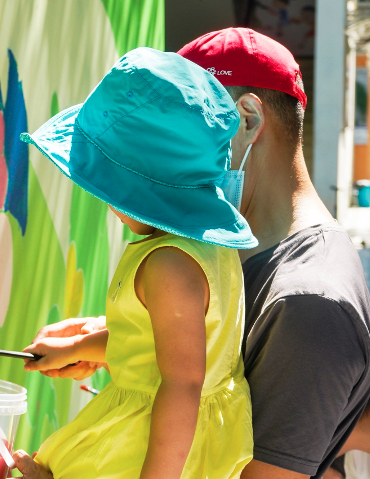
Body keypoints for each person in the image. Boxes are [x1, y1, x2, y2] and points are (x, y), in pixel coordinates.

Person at [18, 28, 370, 479]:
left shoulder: (311, 306)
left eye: (199, 112)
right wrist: (108, 341)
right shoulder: (213, 248)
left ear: (246, 119)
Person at [11, 47, 256, 479]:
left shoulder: (168, 266)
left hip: (147, 452)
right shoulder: (203, 249)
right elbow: (149, 348)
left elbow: (182, 386)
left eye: (109, 185)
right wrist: (74, 349)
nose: (107, 202)